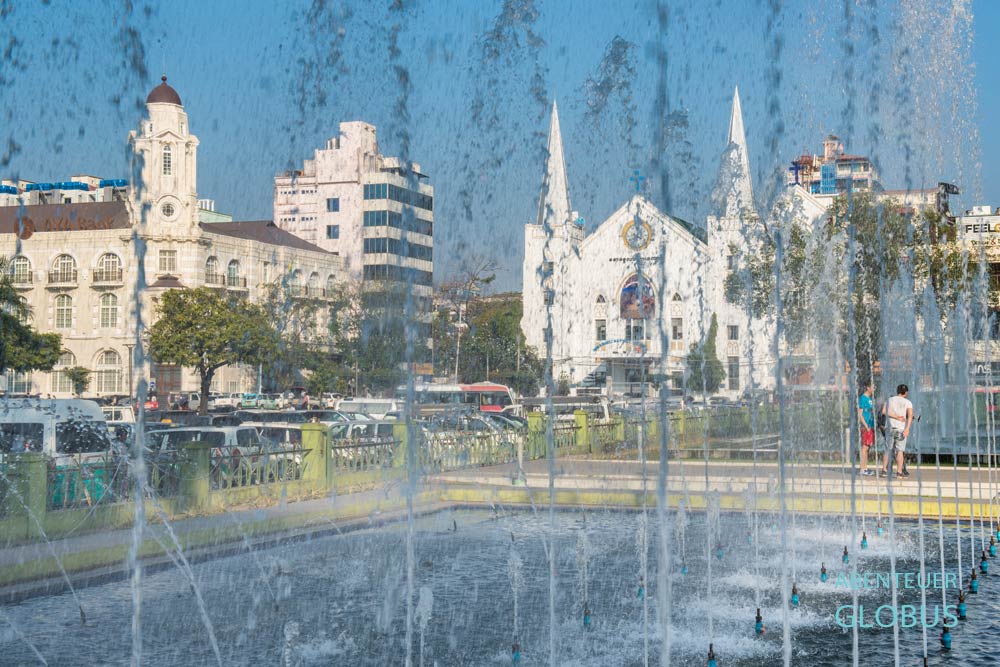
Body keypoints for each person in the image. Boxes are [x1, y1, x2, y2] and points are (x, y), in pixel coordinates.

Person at [881, 384, 913, 478]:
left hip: (890, 428)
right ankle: (899, 472)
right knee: (900, 451)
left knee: (888, 450)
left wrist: (895, 417)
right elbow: (910, 416)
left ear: (897, 391)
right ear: (906, 392)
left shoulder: (890, 400)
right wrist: (907, 429)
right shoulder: (908, 402)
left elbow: (884, 411)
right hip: (901, 429)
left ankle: (884, 470)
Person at [857, 381, 876, 476]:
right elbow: (860, 414)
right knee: (864, 447)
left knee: (867, 447)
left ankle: (865, 468)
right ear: (868, 388)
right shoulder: (862, 398)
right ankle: (862, 468)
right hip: (866, 427)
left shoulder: (869, 398)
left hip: (870, 425)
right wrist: (866, 426)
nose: (874, 389)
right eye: (873, 387)